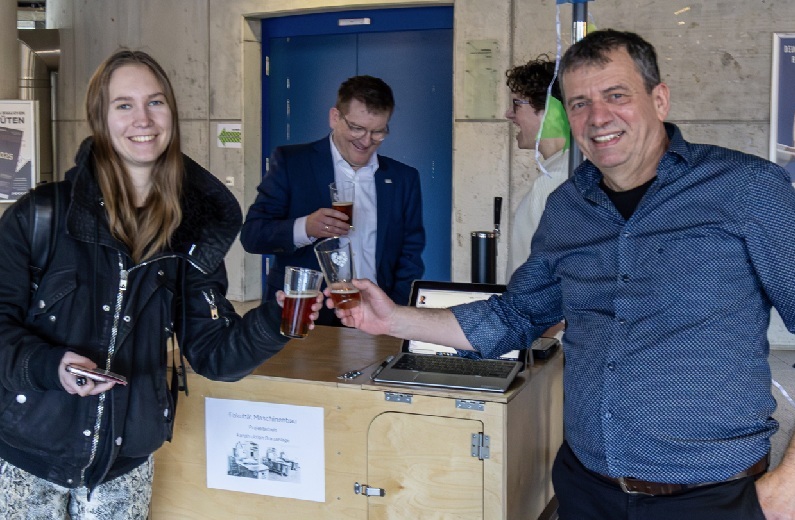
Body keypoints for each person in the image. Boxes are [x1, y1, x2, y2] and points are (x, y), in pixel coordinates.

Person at [328, 29, 795, 519]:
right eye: (579, 103)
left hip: (713, 496)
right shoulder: (568, 208)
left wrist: (788, 487)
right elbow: (514, 316)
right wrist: (391, 319)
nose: (598, 117)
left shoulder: (745, 188)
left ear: (659, 99)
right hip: (587, 488)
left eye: (616, 95)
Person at [0, 49, 321, 519]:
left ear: (171, 113)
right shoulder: (41, 215)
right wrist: (52, 366)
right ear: (100, 119)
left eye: (155, 102)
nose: (143, 119)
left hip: (124, 468)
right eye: (124, 105)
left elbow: (214, 355)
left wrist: (277, 319)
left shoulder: (190, 233)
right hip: (26, 460)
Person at [240, 75, 425, 325]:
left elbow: (410, 253)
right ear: (335, 117)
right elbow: (252, 235)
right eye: (357, 128)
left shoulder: (404, 178)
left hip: (375, 317)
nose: (366, 141)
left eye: (378, 132)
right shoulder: (292, 163)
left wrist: (395, 311)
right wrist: (305, 227)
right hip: (306, 314)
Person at [504, 54, 570, 275]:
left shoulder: (555, 181)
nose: (508, 114)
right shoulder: (566, 170)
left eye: (517, 104)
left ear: (550, 111)